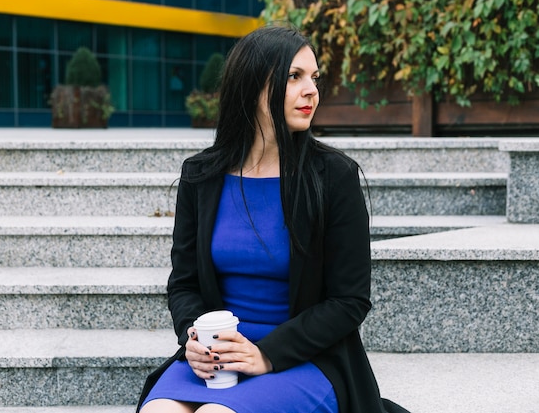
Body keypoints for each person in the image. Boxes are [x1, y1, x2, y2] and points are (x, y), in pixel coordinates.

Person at [137, 25, 409, 413]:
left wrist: (265, 356)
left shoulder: (333, 176)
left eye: (314, 77)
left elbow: (350, 300)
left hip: (304, 358)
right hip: (219, 358)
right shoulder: (201, 175)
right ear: (251, 87)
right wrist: (192, 336)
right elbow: (184, 284)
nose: (311, 90)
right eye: (293, 77)